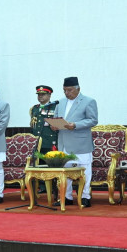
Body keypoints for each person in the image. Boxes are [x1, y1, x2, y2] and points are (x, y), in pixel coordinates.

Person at [51, 77, 98, 208]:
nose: (67, 93)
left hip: (81, 143)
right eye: (64, 90)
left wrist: (75, 125)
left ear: (78, 89)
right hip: (64, 143)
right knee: (65, 172)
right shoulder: (60, 102)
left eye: (70, 90)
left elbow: (93, 120)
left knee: (84, 171)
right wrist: (54, 125)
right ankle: (67, 197)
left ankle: (85, 197)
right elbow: (56, 119)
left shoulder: (88, 101)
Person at [30, 85, 58, 193]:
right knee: (39, 164)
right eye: (39, 94)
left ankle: (53, 187)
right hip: (37, 141)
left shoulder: (54, 107)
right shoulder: (35, 108)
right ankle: (42, 187)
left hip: (50, 140)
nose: (40, 96)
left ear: (49, 95)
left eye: (43, 94)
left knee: (51, 164)